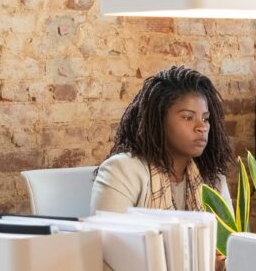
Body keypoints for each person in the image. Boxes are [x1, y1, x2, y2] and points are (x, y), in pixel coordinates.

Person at [92, 65, 234, 216]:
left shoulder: (212, 179)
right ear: (159, 120)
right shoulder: (121, 171)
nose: (202, 127)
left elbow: (228, 239)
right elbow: (108, 238)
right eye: (187, 117)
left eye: (205, 119)